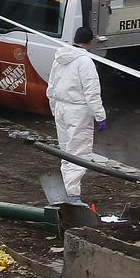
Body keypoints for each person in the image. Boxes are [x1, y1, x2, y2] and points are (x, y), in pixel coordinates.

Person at [47, 26, 106, 204]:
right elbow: (92, 91)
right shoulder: (85, 61)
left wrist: (54, 108)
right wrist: (100, 115)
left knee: (66, 152)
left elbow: (51, 87)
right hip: (78, 111)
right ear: (89, 42)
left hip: (61, 108)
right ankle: (73, 196)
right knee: (79, 153)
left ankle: (67, 190)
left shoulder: (60, 58)